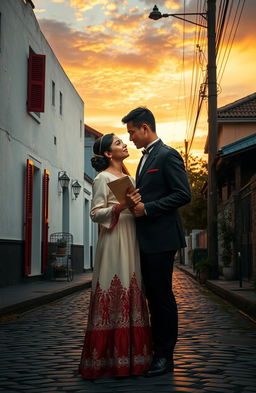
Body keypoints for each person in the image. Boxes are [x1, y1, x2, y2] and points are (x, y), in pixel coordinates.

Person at [122, 107, 191, 377]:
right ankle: (155, 350)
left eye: (132, 132)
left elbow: (183, 194)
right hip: (146, 239)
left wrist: (147, 209)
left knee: (162, 297)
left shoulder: (167, 155)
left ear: (145, 128)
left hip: (162, 237)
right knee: (152, 295)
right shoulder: (144, 159)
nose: (130, 139)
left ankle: (165, 356)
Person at [79, 133, 152, 379]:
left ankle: (133, 358)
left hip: (132, 237)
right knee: (114, 286)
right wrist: (121, 206)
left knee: (133, 286)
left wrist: (137, 207)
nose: (124, 144)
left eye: (123, 141)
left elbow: (137, 209)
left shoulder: (130, 177)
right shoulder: (102, 178)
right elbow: (95, 213)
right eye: (119, 143)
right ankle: (107, 360)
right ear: (108, 154)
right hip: (113, 239)